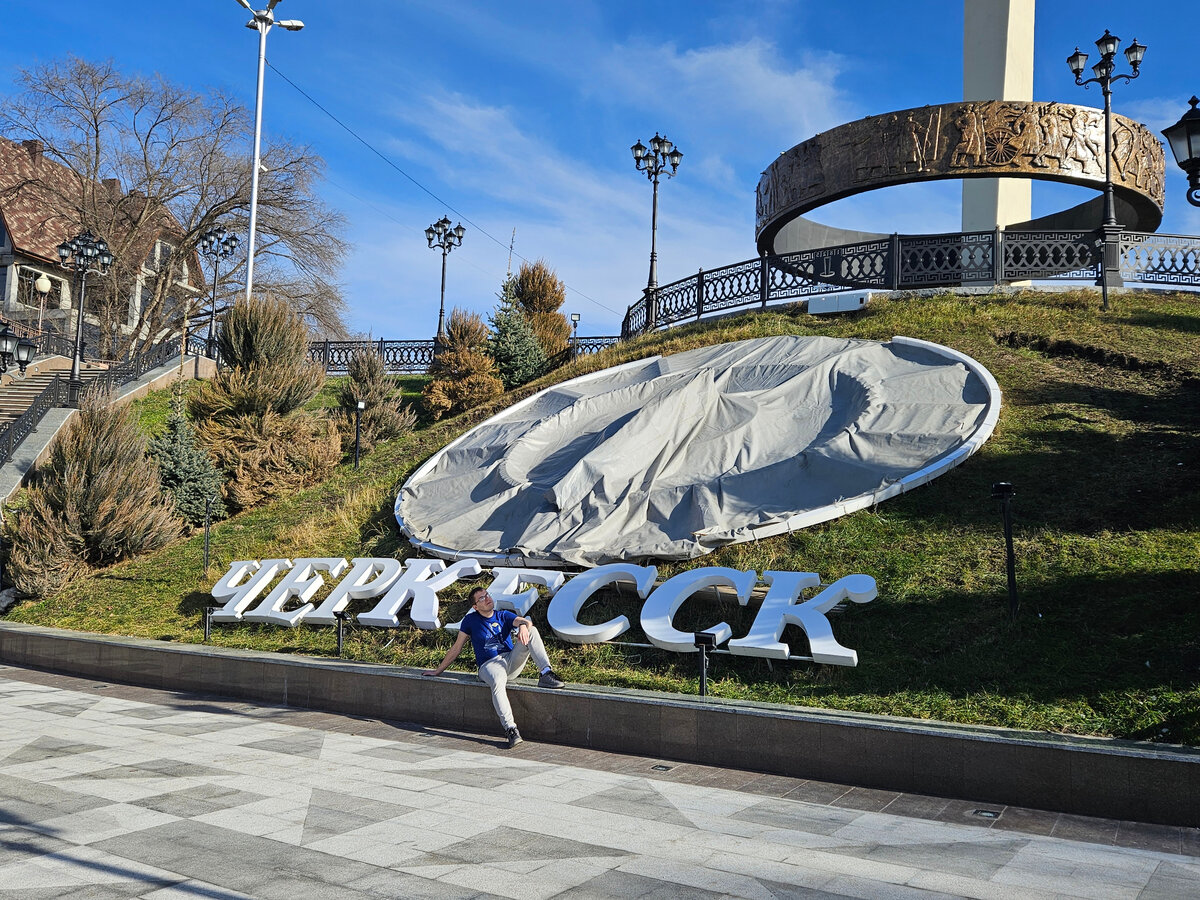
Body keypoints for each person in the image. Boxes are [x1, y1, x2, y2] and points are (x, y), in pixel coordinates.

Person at [423, 585, 565, 747]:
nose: (487, 599)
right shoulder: (471, 620)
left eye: (487, 595)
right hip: (489, 666)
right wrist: (438, 670)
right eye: (481, 598)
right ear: (475, 607)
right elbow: (457, 648)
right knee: (497, 681)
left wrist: (524, 626)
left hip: (510, 661)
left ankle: (546, 673)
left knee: (532, 630)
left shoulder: (502, 615)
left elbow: (523, 621)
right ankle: (511, 729)